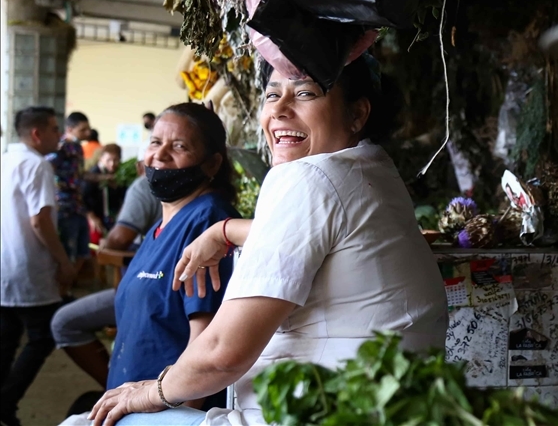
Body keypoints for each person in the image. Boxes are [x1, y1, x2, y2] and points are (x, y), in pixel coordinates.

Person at [81, 55, 448, 426]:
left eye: (304, 93)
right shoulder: (368, 170)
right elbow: (318, 238)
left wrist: (149, 392)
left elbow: (223, 352)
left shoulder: (308, 177)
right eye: (272, 95)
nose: (281, 111)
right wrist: (224, 231)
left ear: (356, 115)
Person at [103, 104, 240, 406]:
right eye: (155, 142)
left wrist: (182, 415)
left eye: (179, 146)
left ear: (212, 164)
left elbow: (204, 348)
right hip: (132, 406)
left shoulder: (207, 223)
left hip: (165, 410)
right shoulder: (160, 227)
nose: (160, 155)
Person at [1, 107, 76, 426]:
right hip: (28, 268)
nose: (59, 135)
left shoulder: (6, 160)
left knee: (5, 340)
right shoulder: (37, 165)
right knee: (43, 336)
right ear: (36, 134)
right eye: (54, 129)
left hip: (6, 267)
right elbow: (40, 220)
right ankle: (5, 404)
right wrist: (64, 261)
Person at [51, 176, 161, 389]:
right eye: (156, 143)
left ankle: (115, 390)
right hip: (150, 292)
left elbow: (119, 238)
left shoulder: (145, 185)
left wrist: (107, 248)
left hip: (148, 295)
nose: (160, 156)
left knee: (63, 322)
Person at [46, 112, 101, 282]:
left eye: (88, 129)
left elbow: (80, 175)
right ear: (70, 129)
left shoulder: (78, 148)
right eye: (83, 130)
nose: (87, 133)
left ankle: (67, 289)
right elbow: (47, 167)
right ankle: (61, 292)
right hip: (65, 207)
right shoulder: (60, 147)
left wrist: (104, 178)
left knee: (83, 252)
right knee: (68, 252)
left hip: (78, 206)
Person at [81, 145, 126, 233]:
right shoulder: (93, 175)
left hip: (113, 218)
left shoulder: (120, 175)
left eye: (116, 160)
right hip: (96, 218)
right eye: (108, 160)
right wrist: (92, 217)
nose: (112, 164)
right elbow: (83, 198)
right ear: (101, 158)